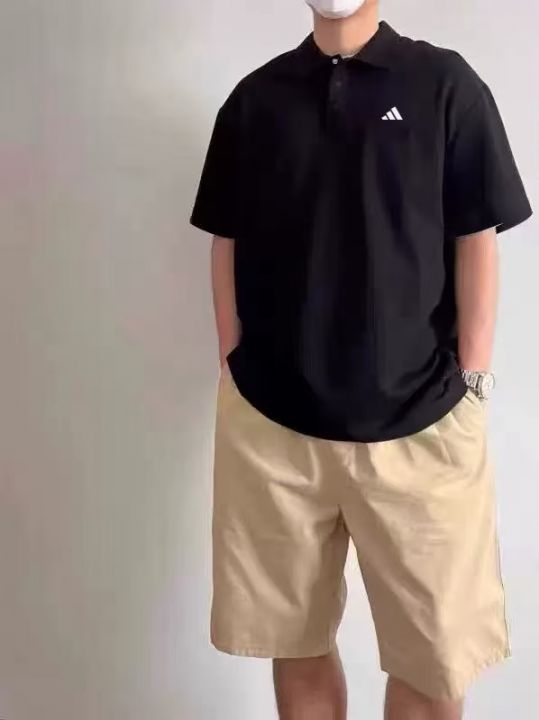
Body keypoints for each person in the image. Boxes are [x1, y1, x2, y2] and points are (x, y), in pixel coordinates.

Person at [190, 0, 533, 717]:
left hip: (422, 423)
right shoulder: (256, 98)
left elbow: (477, 234)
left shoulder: (444, 84)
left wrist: (472, 379)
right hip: (274, 429)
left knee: (434, 661)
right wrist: (232, 362)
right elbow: (227, 236)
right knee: (295, 644)